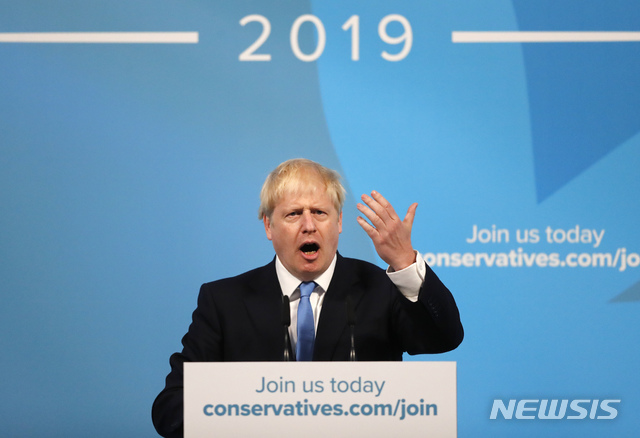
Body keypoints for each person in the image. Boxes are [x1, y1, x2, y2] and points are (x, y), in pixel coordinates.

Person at [152, 158, 463, 437]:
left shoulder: (380, 288)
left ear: (339, 222)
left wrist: (404, 262)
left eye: (319, 212)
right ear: (268, 226)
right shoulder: (224, 301)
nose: (309, 225)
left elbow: (443, 338)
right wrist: (245, 413)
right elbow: (171, 408)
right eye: (293, 214)